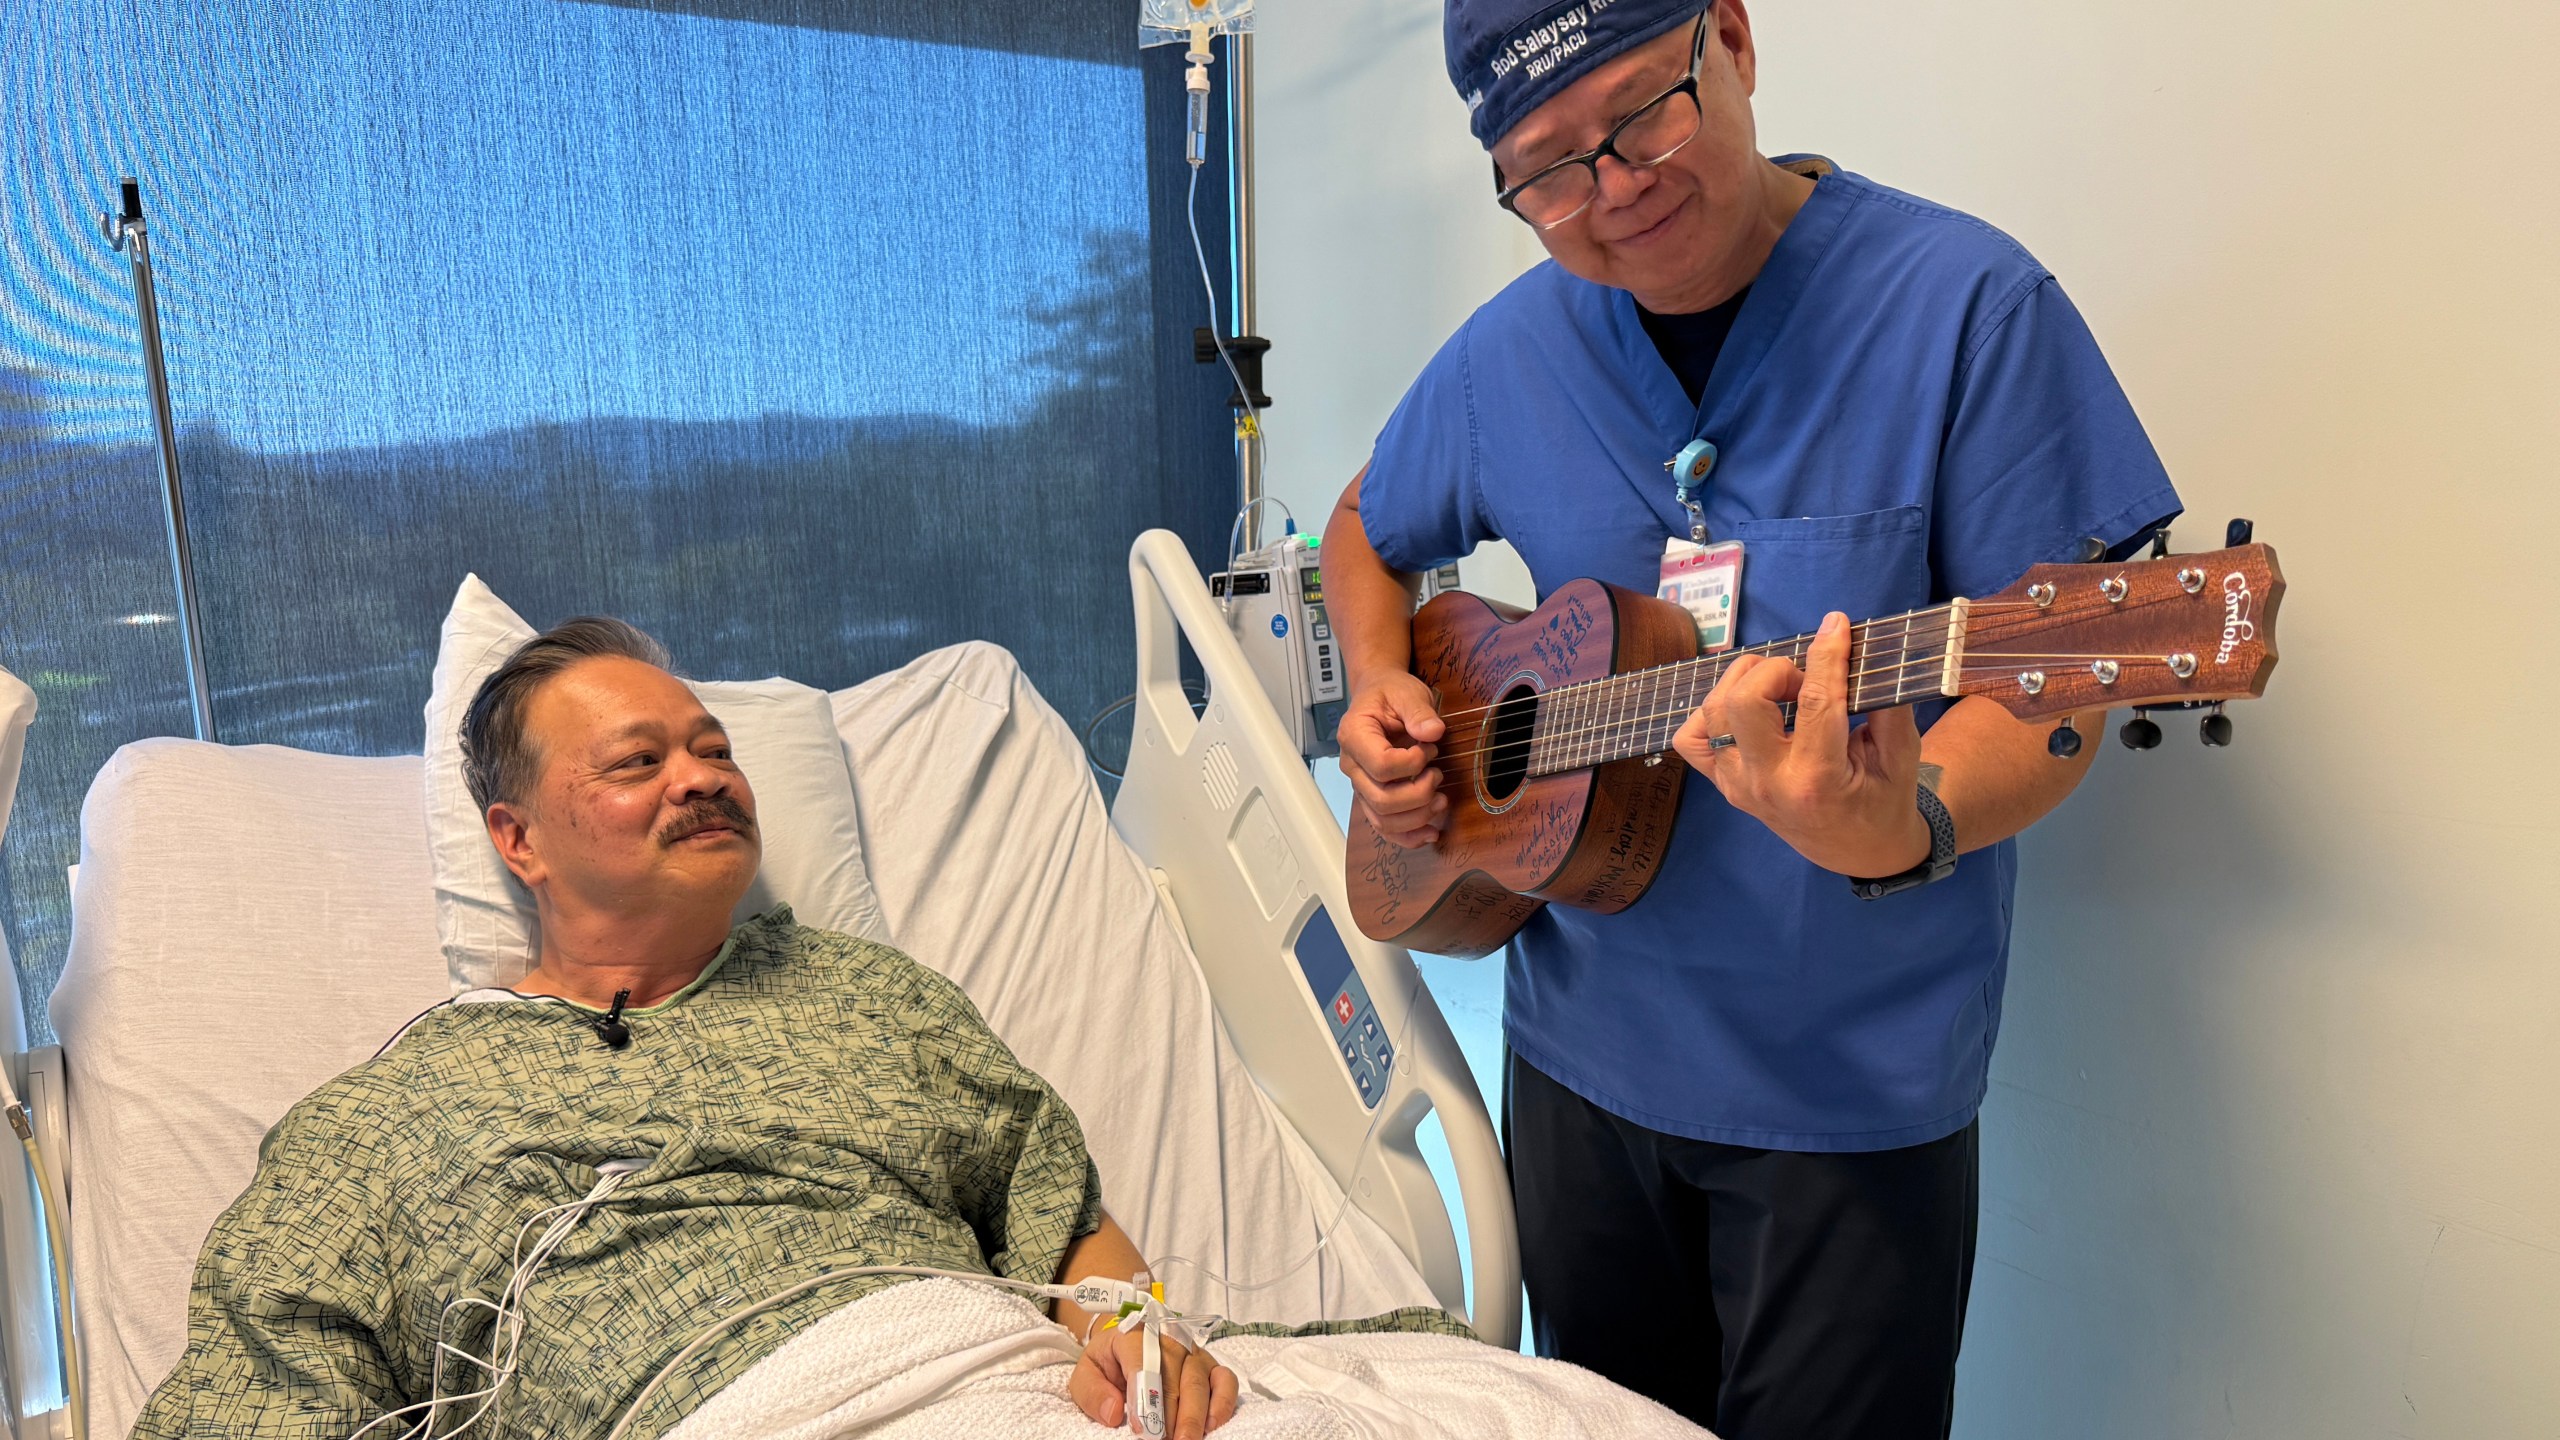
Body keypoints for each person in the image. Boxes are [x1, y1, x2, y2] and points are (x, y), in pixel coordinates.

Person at [1321, 3, 2183, 1437]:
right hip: (1580, 1069)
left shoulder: (1968, 308)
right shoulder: (1508, 355)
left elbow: (2056, 699)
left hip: (1847, 1095)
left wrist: (1903, 826)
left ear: (1730, 37)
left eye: (1639, 116)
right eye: (1548, 172)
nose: (1612, 189)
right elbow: (1364, 522)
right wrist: (1377, 681)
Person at [131, 619, 1243, 1439]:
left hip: (996, 1382)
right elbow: (256, 1398)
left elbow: (1054, 1207)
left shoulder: (869, 995)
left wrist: (1136, 1334)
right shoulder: (386, 1119)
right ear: (518, 840)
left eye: (715, 752)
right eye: (638, 762)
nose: (703, 779)